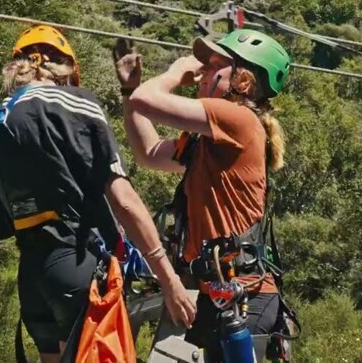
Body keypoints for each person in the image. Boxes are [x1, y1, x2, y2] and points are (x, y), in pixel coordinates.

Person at [0, 25, 195, 363]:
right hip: (77, 263)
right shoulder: (75, 103)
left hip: (33, 275)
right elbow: (123, 200)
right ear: (66, 70)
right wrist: (169, 281)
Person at [115, 29, 291, 361]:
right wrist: (129, 92)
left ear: (243, 82)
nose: (202, 73)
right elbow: (149, 153)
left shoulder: (239, 119)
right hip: (221, 294)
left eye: (214, 66)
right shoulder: (208, 141)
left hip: (245, 296)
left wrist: (174, 73)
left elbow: (146, 101)